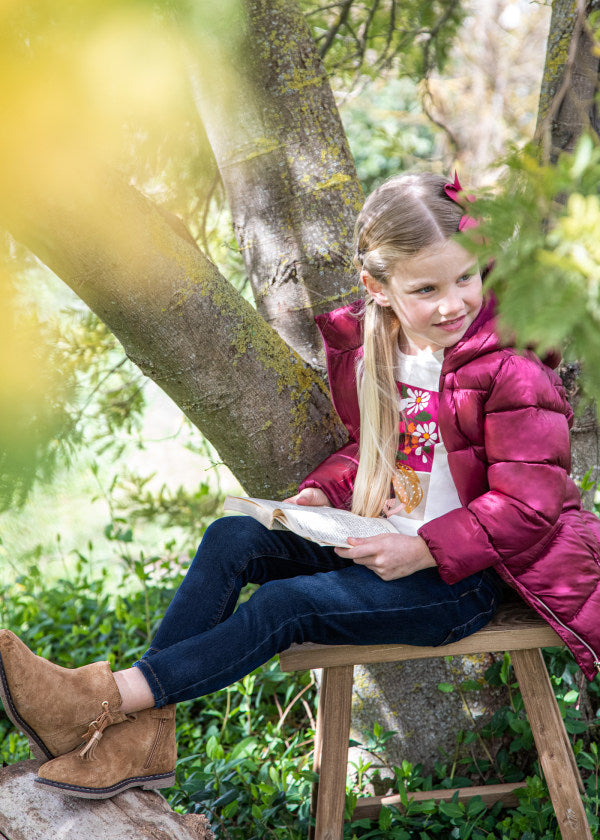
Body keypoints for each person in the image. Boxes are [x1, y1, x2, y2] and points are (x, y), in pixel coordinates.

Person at [1, 172, 599, 800]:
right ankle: (143, 741)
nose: (452, 303)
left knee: (284, 608)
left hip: (460, 579)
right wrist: (321, 494)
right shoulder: (384, 353)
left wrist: (424, 549)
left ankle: (99, 699)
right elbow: (376, 452)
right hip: (383, 542)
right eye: (426, 288)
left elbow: (529, 505)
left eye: (466, 279)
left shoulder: (510, 371)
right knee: (234, 537)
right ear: (380, 288)